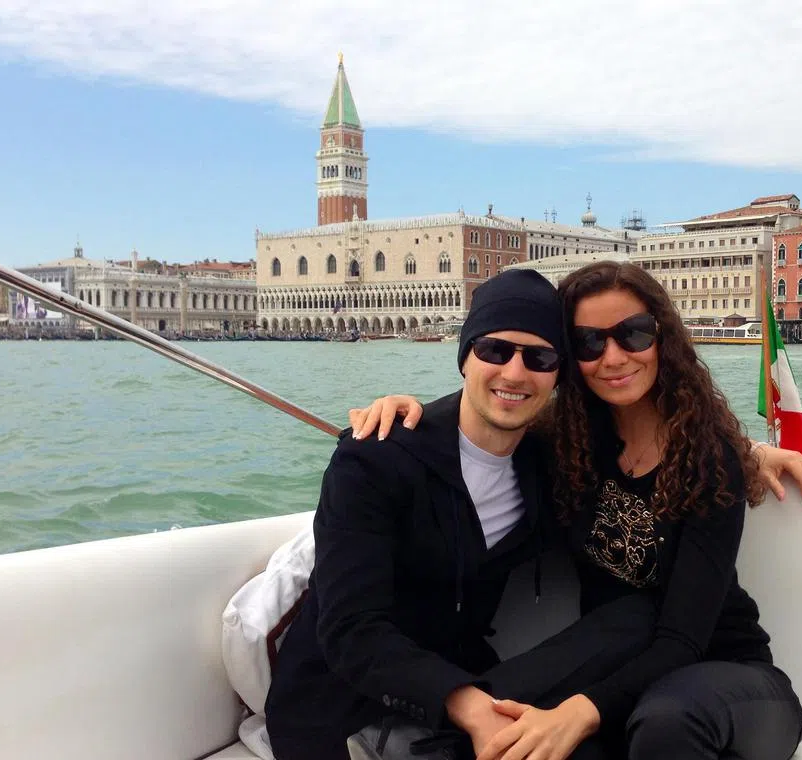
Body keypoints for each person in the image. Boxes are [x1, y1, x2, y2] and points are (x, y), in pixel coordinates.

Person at [351, 261, 802, 760]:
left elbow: (682, 639)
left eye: (633, 334)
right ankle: (428, 744)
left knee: (665, 720)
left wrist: (581, 711)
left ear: (663, 338)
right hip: (616, 675)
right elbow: (495, 404)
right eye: (590, 343)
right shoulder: (568, 444)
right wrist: (411, 412)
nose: (614, 357)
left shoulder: (707, 457)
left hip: (724, 675)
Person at [264, 269, 659, 760]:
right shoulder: (376, 457)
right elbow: (351, 630)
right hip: (340, 707)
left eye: (539, 357)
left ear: (558, 375)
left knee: (633, 622)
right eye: (495, 350)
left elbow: (641, 445)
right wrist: (468, 706)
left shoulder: (546, 465)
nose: (514, 374)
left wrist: (746, 455)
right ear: (465, 358)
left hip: (468, 686)